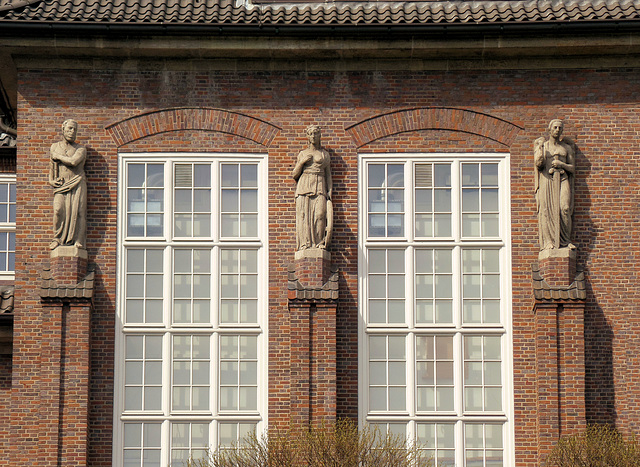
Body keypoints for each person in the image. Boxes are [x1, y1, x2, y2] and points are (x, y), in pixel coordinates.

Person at [534, 119, 576, 251]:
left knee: (564, 208)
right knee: (546, 210)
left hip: (563, 179)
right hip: (547, 180)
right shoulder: (545, 146)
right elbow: (539, 164)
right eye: (555, 128)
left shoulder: (566, 148)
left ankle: (565, 241)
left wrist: (562, 165)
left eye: (560, 128)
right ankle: (549, 242)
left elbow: (573, 168)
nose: (557, 130)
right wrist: (539, 148)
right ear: (550, 129)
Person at [292, 125, 333, 250]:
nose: (313, 136)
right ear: (307, 137)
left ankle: (319, 242)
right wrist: (302, 162)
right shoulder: (303, 154)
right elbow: (295, 174)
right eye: (310, 134)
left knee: (320, 214)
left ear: (319, 135)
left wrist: (330, 191)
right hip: (304, 183)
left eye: (315, 133)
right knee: (303, 214)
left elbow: (328, 175)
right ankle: (305, 243)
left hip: (320, 184)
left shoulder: (324, 154)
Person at [49, 119, 87, 250]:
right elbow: (52, 169)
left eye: (75, 129)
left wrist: (57, 156)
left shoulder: (81, 149)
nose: (72, 132)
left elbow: (73, 161)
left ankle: (78, 239)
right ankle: (57, 238)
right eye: (70, 128)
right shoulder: (54, 147)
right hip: (61, 186)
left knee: (79, 211)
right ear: (63, 129)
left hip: (77, 182)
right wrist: (51, 181)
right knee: (58, 210)